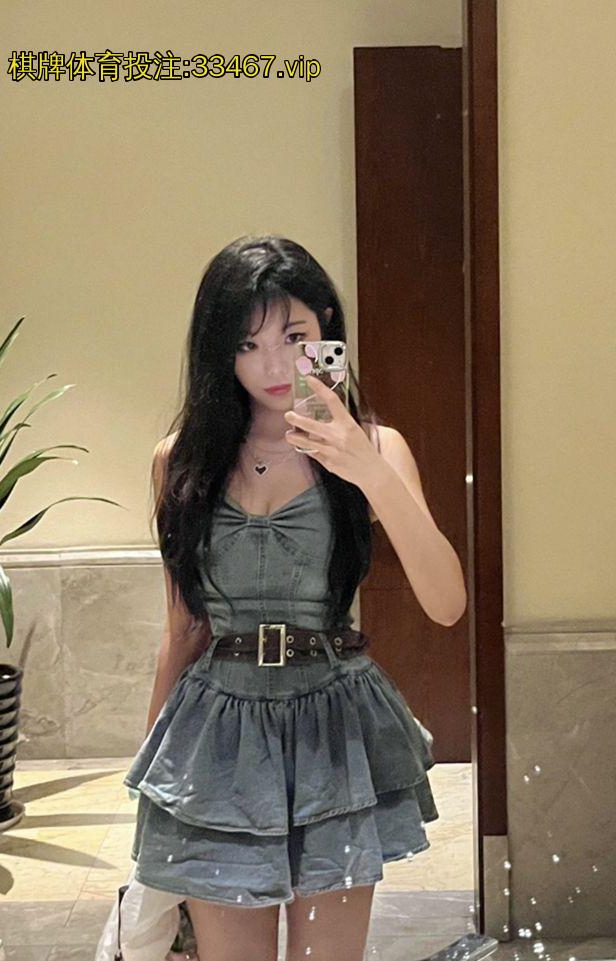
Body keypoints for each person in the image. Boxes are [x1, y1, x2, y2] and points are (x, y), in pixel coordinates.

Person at [121, 234, 454, 961]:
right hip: (218, 731)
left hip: (333, 723)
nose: (274, 367)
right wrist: (154, 778)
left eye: (294, 337)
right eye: (248, 345)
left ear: (327, 327)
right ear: (221, 352)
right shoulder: (181, 460)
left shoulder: (378, 448)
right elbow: (184, 628)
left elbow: (446, 602)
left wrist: (368, 469)